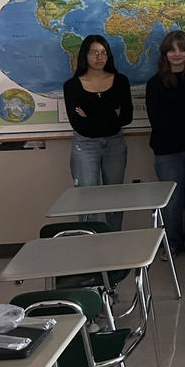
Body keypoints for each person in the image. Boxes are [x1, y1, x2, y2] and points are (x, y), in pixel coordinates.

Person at [145, 31, 185, 262]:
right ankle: (172, 243)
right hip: (167, 151)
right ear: (165, 53)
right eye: (171, 49)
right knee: (172, 202)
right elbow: (158, 121)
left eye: (181, 49)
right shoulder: (155, 84)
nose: (176, 54)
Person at [63, 35, 133, 231]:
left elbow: (126, 117)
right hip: (84, 145)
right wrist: (112, 113)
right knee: (87, 197)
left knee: (115, 196)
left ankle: (113, 238)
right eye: (94, 52)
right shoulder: (72, 85)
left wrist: (91, 116)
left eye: (103, 52)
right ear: (85, 55)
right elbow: (79, 125)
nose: (99, 57)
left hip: (115, 144)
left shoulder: (120, 81)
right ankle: (89, 242)